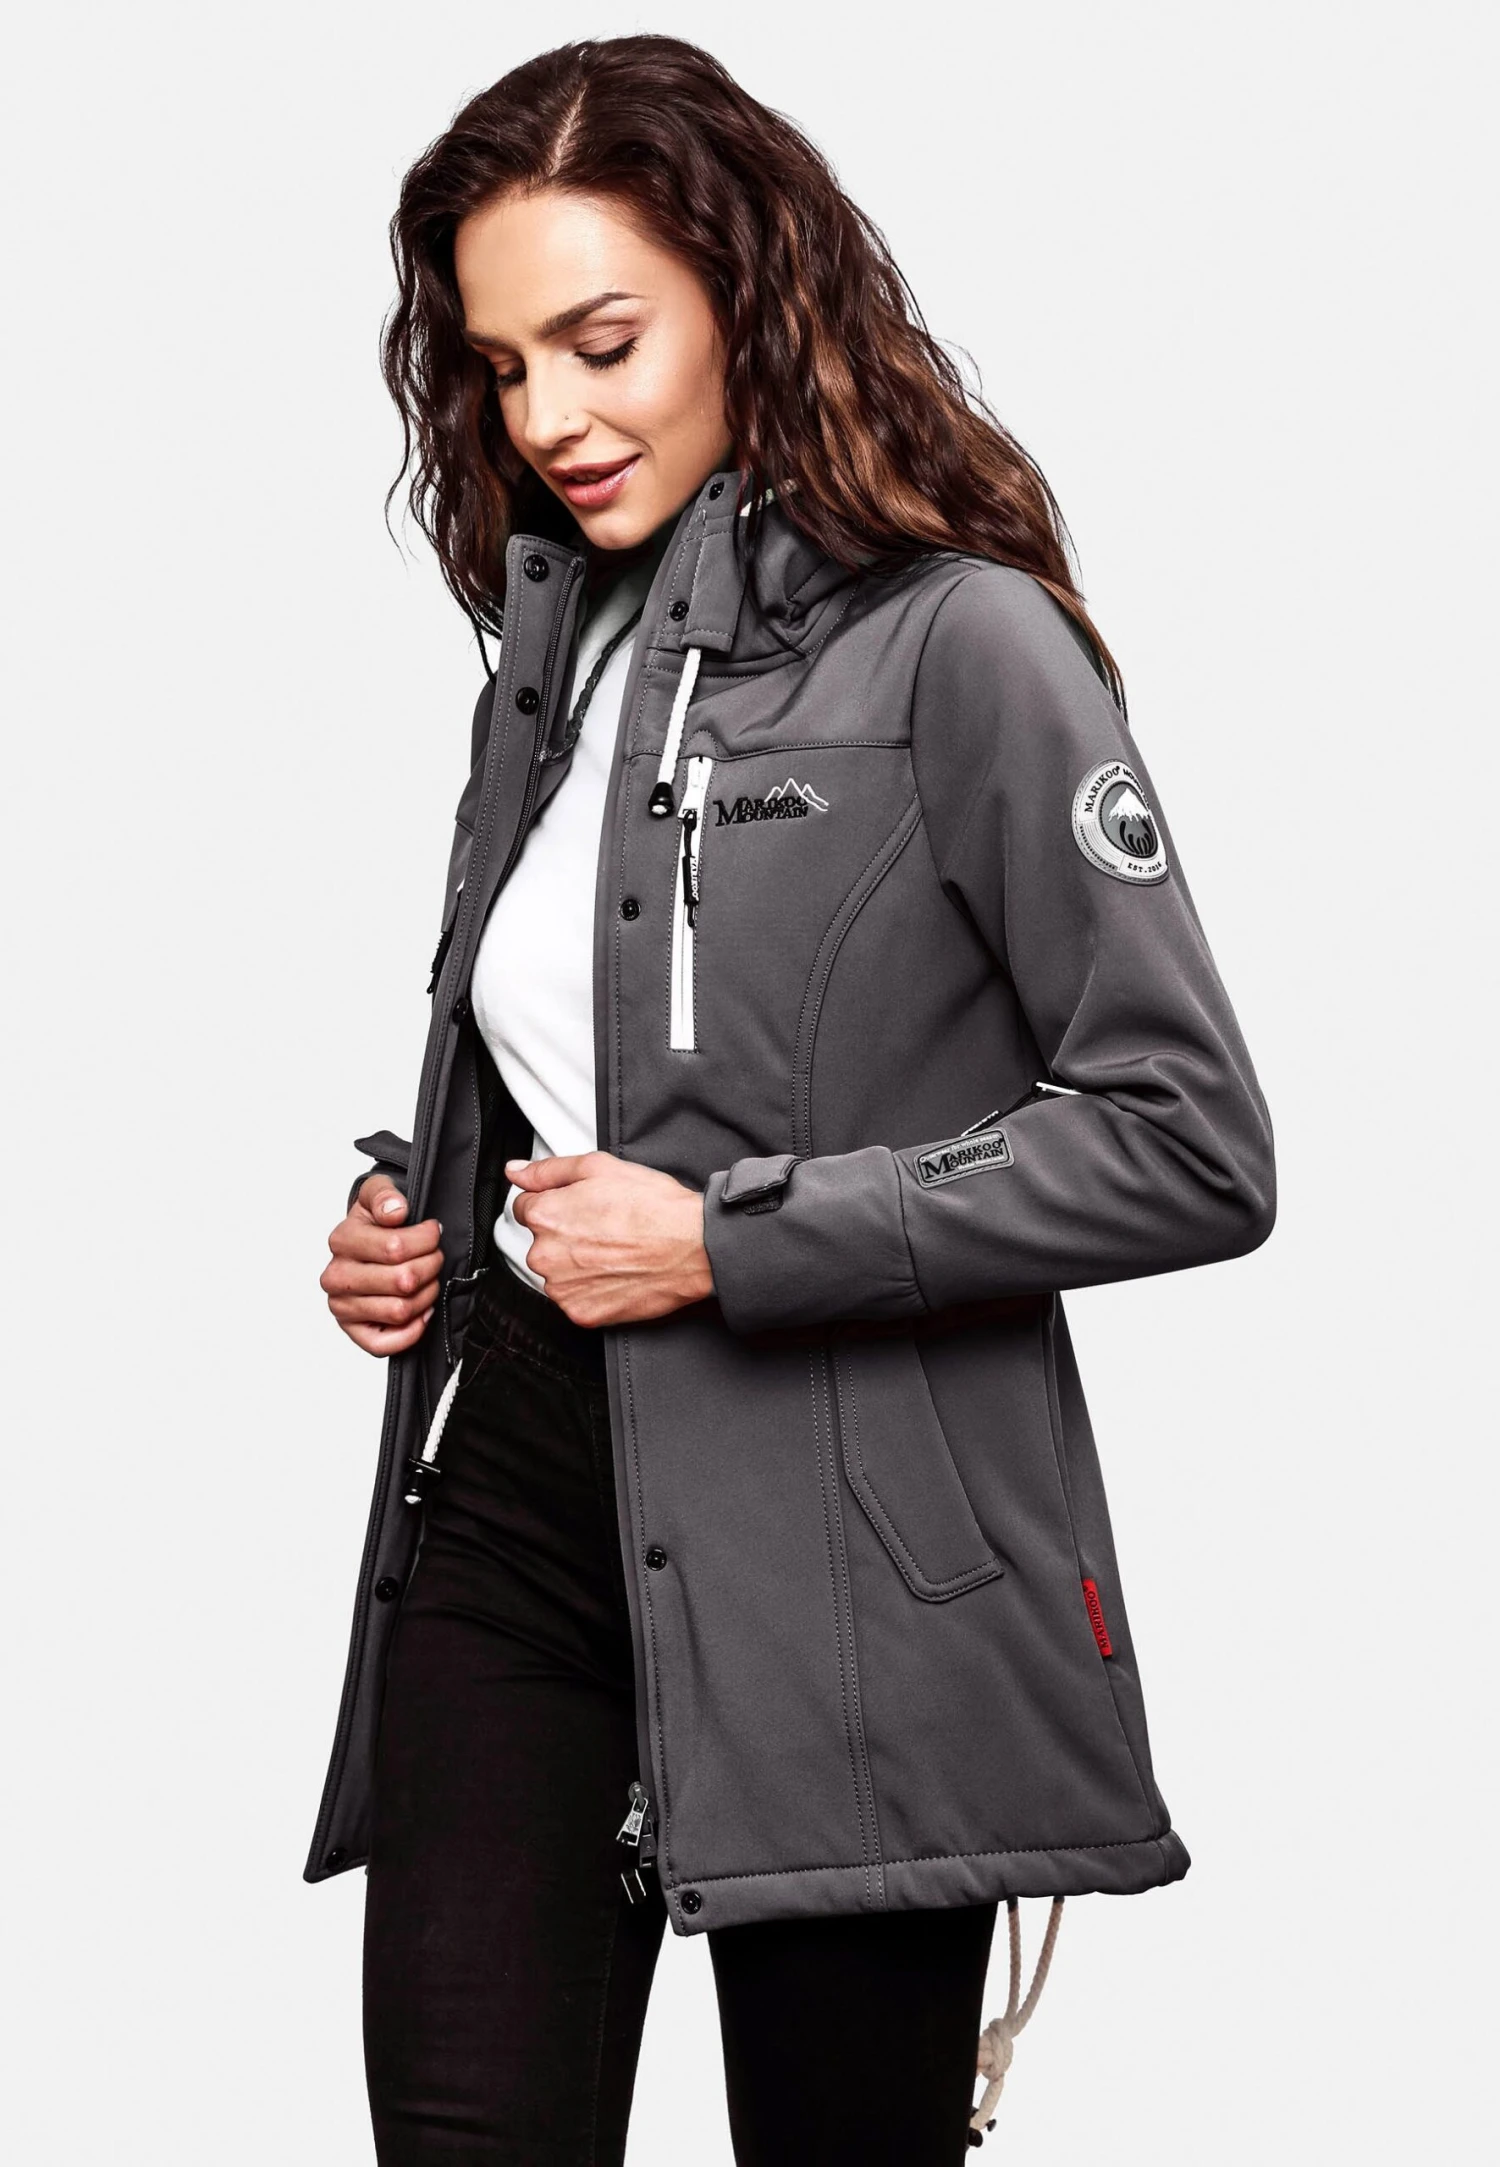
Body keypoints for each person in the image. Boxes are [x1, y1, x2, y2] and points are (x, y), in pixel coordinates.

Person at [311, 33, 1276, 2167]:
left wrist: (729, 1242)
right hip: (520, 1502)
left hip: (847, 1547)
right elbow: (577, 1054)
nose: (548, 418)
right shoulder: (556, 659)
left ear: (750, 295)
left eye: (602, 343)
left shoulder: (966, 648)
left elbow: (1189, 1139)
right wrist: (421, 1222)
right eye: (501, 367)